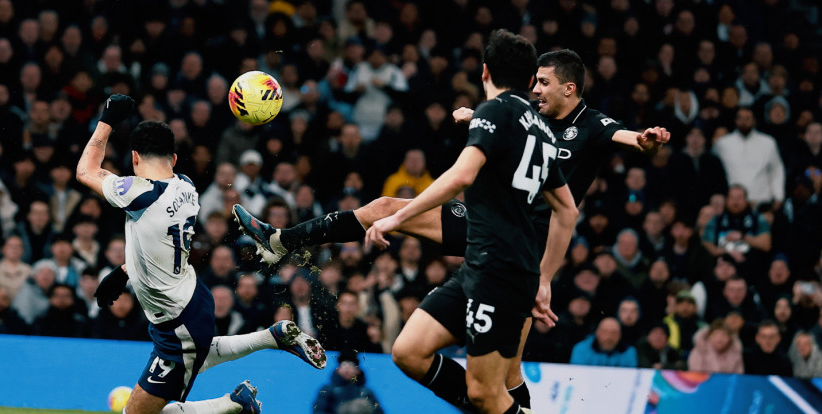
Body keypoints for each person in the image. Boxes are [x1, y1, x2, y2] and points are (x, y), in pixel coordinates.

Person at [235, 48, 669, 410]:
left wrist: (644, 140)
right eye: (532, 81)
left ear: (570, 88)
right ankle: (280, 241)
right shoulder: (527, 118)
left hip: (523, 251)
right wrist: (480, 118)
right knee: (384, 205)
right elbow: (502, 127)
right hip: (487, 227)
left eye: (544, 82)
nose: (535, 89)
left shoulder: (590, 125)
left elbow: (625, 140)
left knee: (508, 375)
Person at [366, 30, 579, 414]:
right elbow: (568, 210)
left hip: (501, 273)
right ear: (530, 80)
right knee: (408, 351)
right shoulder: (542, 130)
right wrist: (544, 278)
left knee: (486, 393)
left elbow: (462, 176)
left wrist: (398, 216)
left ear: (484, 72)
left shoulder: (493, 111)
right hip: (482, 268)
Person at [76, 94, 327, 414]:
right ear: (175, 160)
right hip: (192, 301)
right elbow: (156, 241)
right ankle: (271, 339)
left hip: (175, 319)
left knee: (137, 413)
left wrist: (107, 120)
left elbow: (86, 171)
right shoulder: (186, 187)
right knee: (196, 355)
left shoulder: (136, 193)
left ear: (135, 158)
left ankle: (233, 405)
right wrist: (125, 271)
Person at [312, 350, 385, 414]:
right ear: (338, 369)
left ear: (357, 371)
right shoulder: (327, 390)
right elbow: (318, 411)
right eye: (344, 365)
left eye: (351, 365)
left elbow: (379, 412)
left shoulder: (366, 392)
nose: (347, 369)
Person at [569, 317, 639, 368]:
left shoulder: (629, 352)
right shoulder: (581, 349)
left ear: (620, 335)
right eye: (605, 332)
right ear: (597, 333)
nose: (609, 337)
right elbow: (577, 375)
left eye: (614, 333)